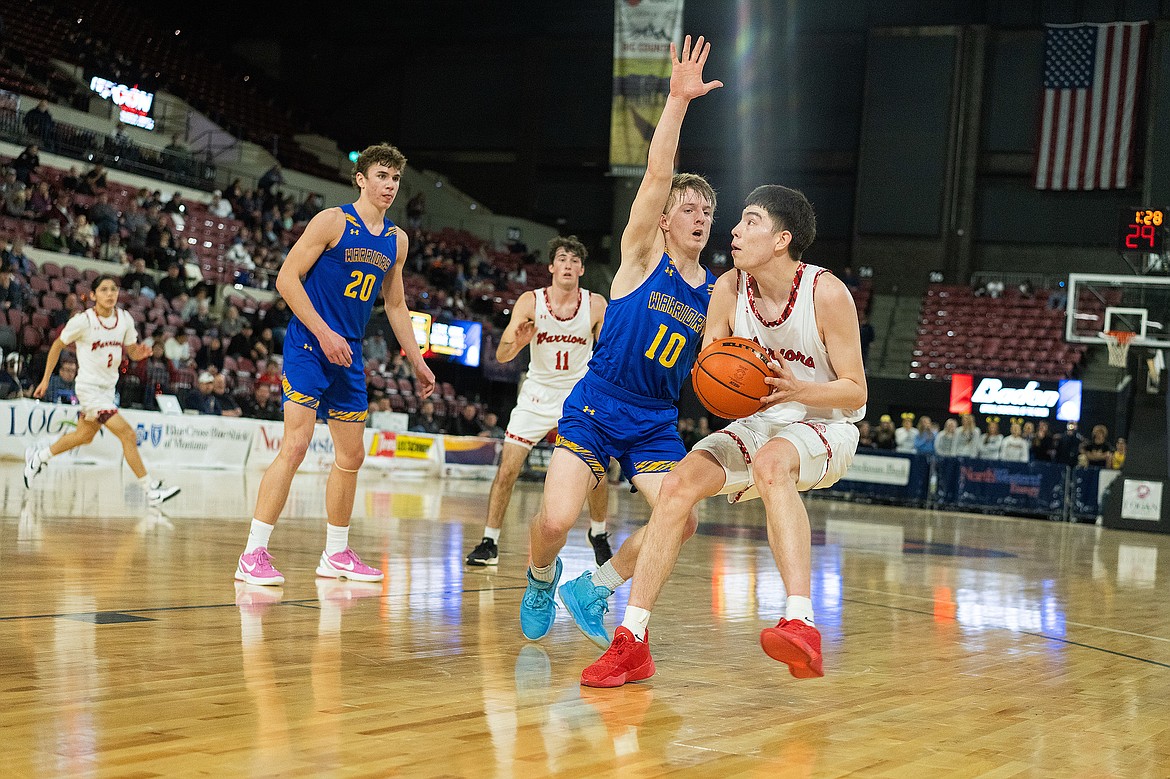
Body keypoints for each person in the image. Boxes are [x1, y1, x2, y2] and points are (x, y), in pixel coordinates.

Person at [580, 181, 867, 687]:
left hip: (826, 423)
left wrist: (799, 389)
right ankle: (632, 639)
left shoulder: (826, 293)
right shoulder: (730, 288)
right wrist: (713, 377)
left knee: (772, 465)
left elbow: (855, 393)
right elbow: (715, 364)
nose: (733, 230)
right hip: (761, 423)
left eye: (751, 220)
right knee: (677, 485)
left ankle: (801, 622)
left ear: (781, 239)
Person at [519, 36, 721, 647]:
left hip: (655, 420)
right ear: (665, 220)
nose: (699, 216)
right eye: (688, 208)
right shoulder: (639, 259)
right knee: (556, 519)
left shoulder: (714, 296)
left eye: (707, 211)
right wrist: (678, 102)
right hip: (597, 403)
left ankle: (596, 586)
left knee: (680, 519)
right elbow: (659, 172)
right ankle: (539, 576)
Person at [234, 144, 435, 586]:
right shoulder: (333, 221)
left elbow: (396, 304)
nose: (389, 186)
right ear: (361, 179)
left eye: (396, 179)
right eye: (382, 176)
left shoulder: (396, 240)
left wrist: (417, 361)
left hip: (349, 354)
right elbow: (286, 279)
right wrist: (325, 333)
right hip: (310, 344)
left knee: (351, 455)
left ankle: (337, 553)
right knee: (296, 446)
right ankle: (253, 553)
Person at [465, 235, 610, 568]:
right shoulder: (531, 302)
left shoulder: (596, 304)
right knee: (507, 470)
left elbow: (608, 355)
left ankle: (598, 533)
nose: (568, 265)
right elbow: (502, 354)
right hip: (536, 394)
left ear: (582, 269)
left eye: (575, 260)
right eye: (562, 258)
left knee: (597, 471)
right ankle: (489, 542)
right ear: (551, 266)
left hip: (576, 395)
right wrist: (517, 343)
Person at [24, 275, 180, 505]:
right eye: (104, 289)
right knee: (127, 434)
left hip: (108, 389)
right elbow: (57, 345)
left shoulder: (125, 319)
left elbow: (132, 352)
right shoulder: (83, 321)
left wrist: (142, 353)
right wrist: (46, 379)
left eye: (114, 289)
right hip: (88, 389)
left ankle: (38, 457)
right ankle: (151, 490)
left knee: (84, 437)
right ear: (94, 295)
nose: (110, 294)